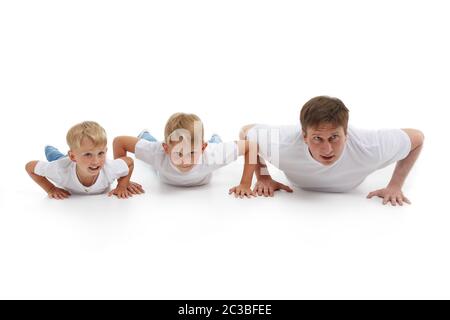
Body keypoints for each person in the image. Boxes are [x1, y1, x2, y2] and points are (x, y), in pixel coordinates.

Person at [230, 96, 424, 206]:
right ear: (304, 136)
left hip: (351, 190)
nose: (327, 149)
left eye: (334, 137)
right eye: (317, 138)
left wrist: (395, 186)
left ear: (346, 133)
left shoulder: (369, 147)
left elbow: (417, 138)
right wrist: (263, 177)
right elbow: (246, 133)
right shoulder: (282, 144)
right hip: (299, 188)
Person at [25, 121, 140, 199]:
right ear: (73, 156)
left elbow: (129, 162)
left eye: (101, 153)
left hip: (72, 161)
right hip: (63, 161)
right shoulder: (59, 170)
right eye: (88, 154)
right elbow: (30, 166)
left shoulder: (110, 168)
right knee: (55, 156)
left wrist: (122, 186)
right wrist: (51, 188)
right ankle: (49, 148)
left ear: (106, 151)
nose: (96, 161)